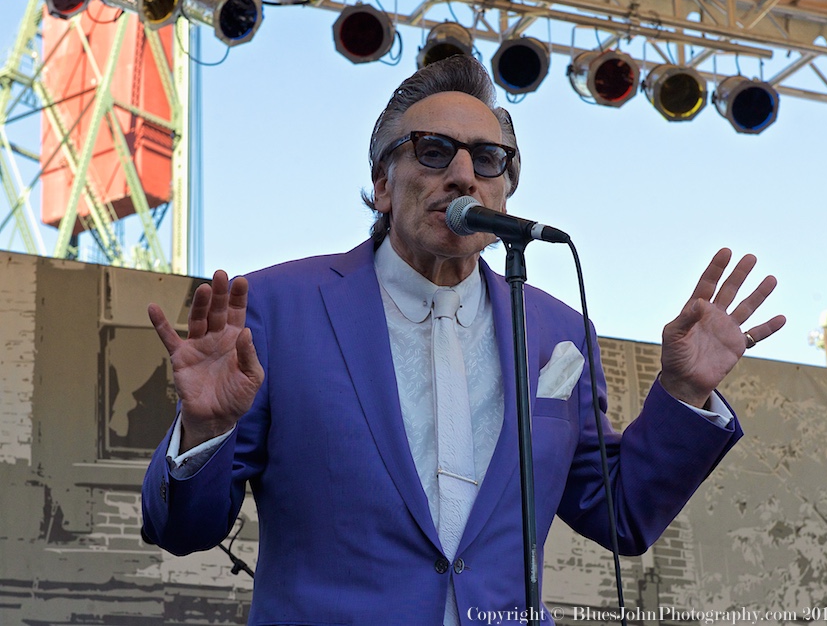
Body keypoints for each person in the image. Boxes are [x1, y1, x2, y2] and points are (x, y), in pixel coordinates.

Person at [141, 55, 786, 625]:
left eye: (486, 159)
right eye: (432, 151)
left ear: (504, 189)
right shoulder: (278, 308)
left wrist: (682, 395)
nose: (462, 175)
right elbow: (184, 530)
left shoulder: (560, 332)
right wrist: (203, 432)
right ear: (383, 185)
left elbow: (619, 514)